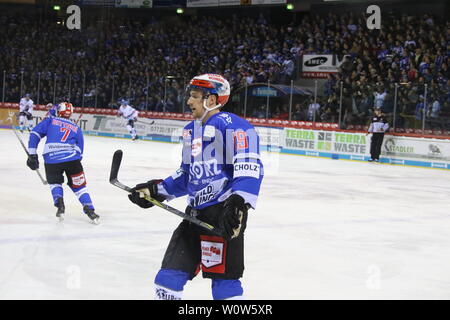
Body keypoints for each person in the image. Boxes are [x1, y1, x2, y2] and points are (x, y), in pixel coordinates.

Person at [127, 74, 264, 300]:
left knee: (224, 285)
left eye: (194, 96)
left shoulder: (234, 126)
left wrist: (239, 201)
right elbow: (186, 175)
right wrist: (156, 191)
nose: (189, 101)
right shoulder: (191, 130)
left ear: (211, 99)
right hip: (194, 215)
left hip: (223, 215)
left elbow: (248, 164)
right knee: (167, 279)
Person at [26, 102, 99, 223]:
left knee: (55, 183)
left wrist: (32, 155)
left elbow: (35, 134)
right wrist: (73, 161)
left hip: (51, 159)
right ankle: (90, 210)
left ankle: (60, 204)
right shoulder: (77, 128)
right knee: (80, 187)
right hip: (72, 159)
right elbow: (80, 152)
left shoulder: (50, 120)